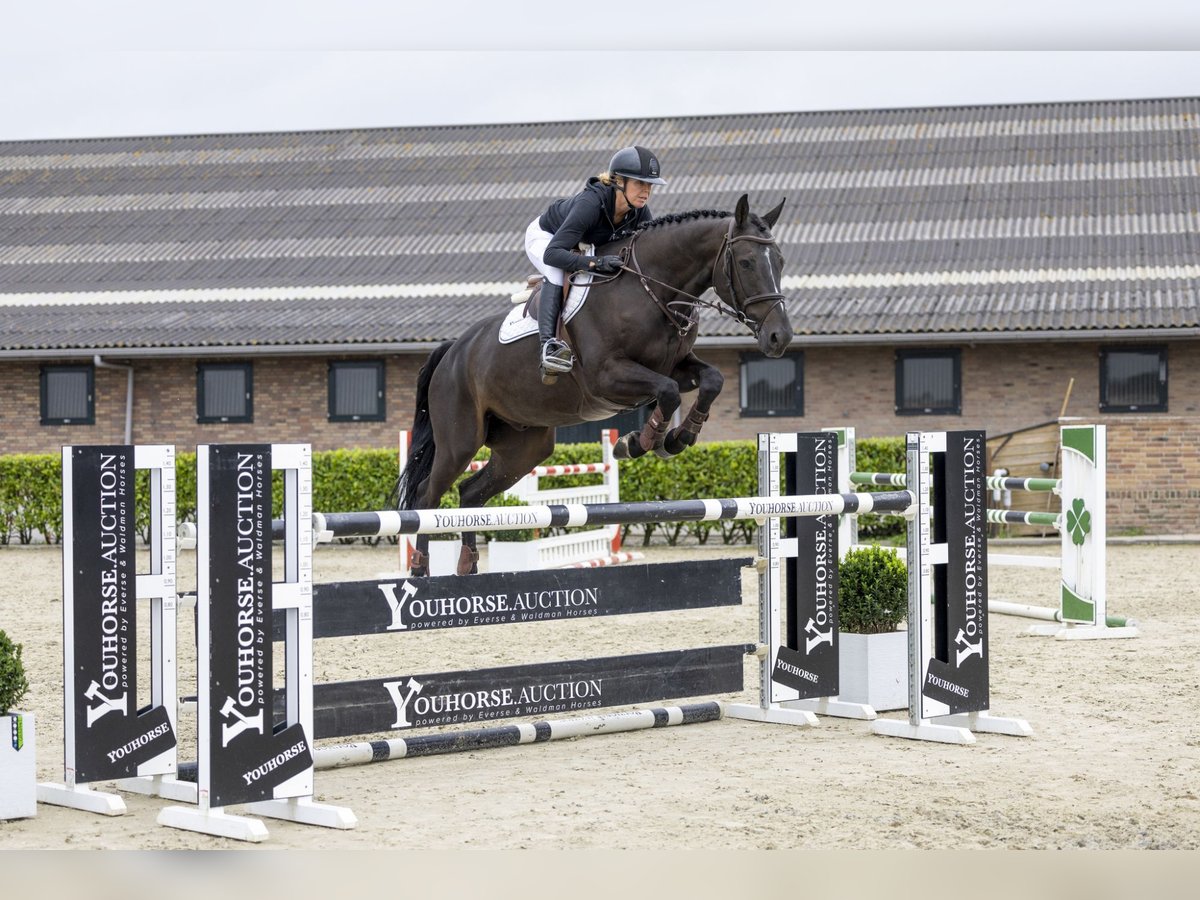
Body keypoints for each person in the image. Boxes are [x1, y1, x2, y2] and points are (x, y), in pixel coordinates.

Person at [525, 145, 667, 379]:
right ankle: (549, 347)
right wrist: (595, 263)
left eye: (650, 185)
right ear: (619, 181)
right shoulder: (591, 204)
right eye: (640, 183)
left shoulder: (639, 211)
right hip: (547, 238)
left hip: (583, 245)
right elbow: (553, 254)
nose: (646, 191)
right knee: (555, 273)